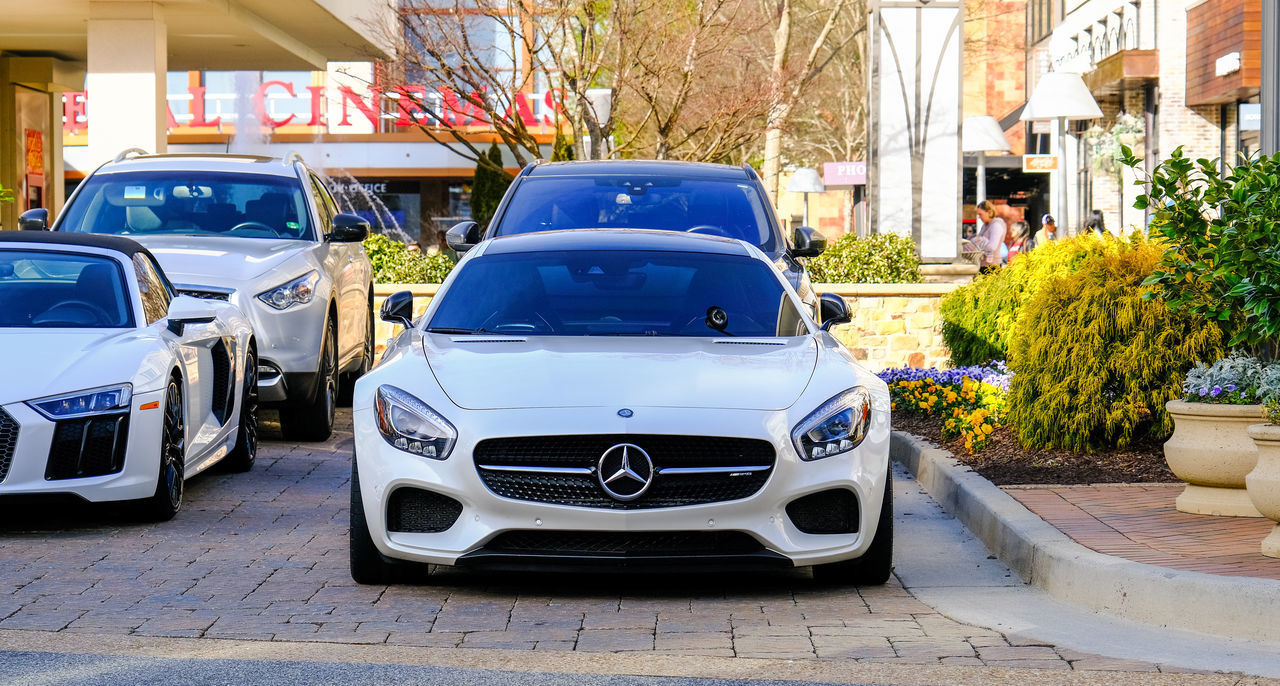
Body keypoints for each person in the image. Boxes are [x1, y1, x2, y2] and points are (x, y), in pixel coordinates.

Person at [973, 200, 1007, 271]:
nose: (979, 217)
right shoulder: (985, 226)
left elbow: (992, 246)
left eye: (980, 214)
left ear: (988, 212)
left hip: (992, 265)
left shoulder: (996, 225)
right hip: (983, 264)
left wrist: (981, 243)